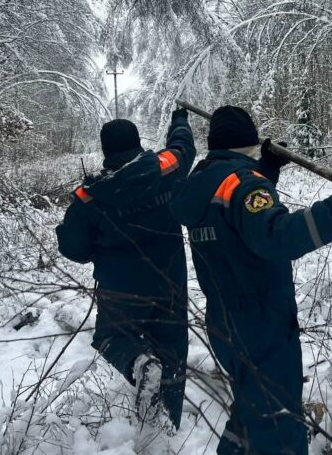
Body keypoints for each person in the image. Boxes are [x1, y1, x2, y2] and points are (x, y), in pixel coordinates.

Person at [171, 105, 332, 455]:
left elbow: (237, 218)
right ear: (249, 142)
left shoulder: (202, 182)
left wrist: (264, 169)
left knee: (251, 410)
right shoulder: (242, 183)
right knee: (279, 427)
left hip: (224, 319)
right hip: (261, 324)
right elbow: (278, 236)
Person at [56, 110, 195, 432]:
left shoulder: (89, 196)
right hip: (170, 279)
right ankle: (166, 427)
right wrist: (180, 120)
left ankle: (138, 363)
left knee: (111, 337)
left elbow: (74, 249)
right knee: (172, 352)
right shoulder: (168, 167)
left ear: (106, 152)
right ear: (138, 143)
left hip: (120, 284)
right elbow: (184, 146)